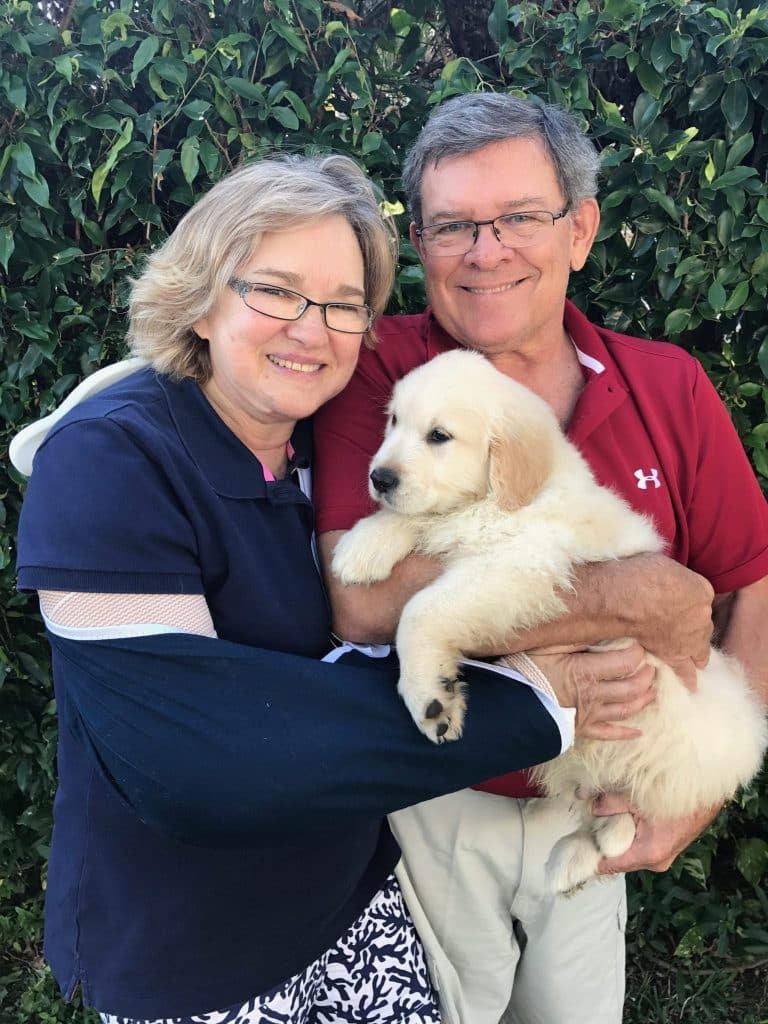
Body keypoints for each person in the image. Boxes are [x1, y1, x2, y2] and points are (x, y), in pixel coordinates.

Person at [13, 152, 656, 1024]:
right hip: (192, 945)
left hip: (355, 907)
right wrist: (548, 695)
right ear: (202, 297)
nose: (313, 330)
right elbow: (189, 758)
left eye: (344, 305)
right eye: (275, 290)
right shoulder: (108, 460)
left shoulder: (332, 446)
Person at [313, 94, 768, 1024]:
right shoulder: (381, 369)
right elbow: (362, 604)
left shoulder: (667, 384)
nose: (487, 252)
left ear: (580, 230)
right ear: (424, 245)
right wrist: (627, 597)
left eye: (520, 216)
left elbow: (753, 583)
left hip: (601, 789)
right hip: (436, 793)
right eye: (452, 227)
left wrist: (705, 791)